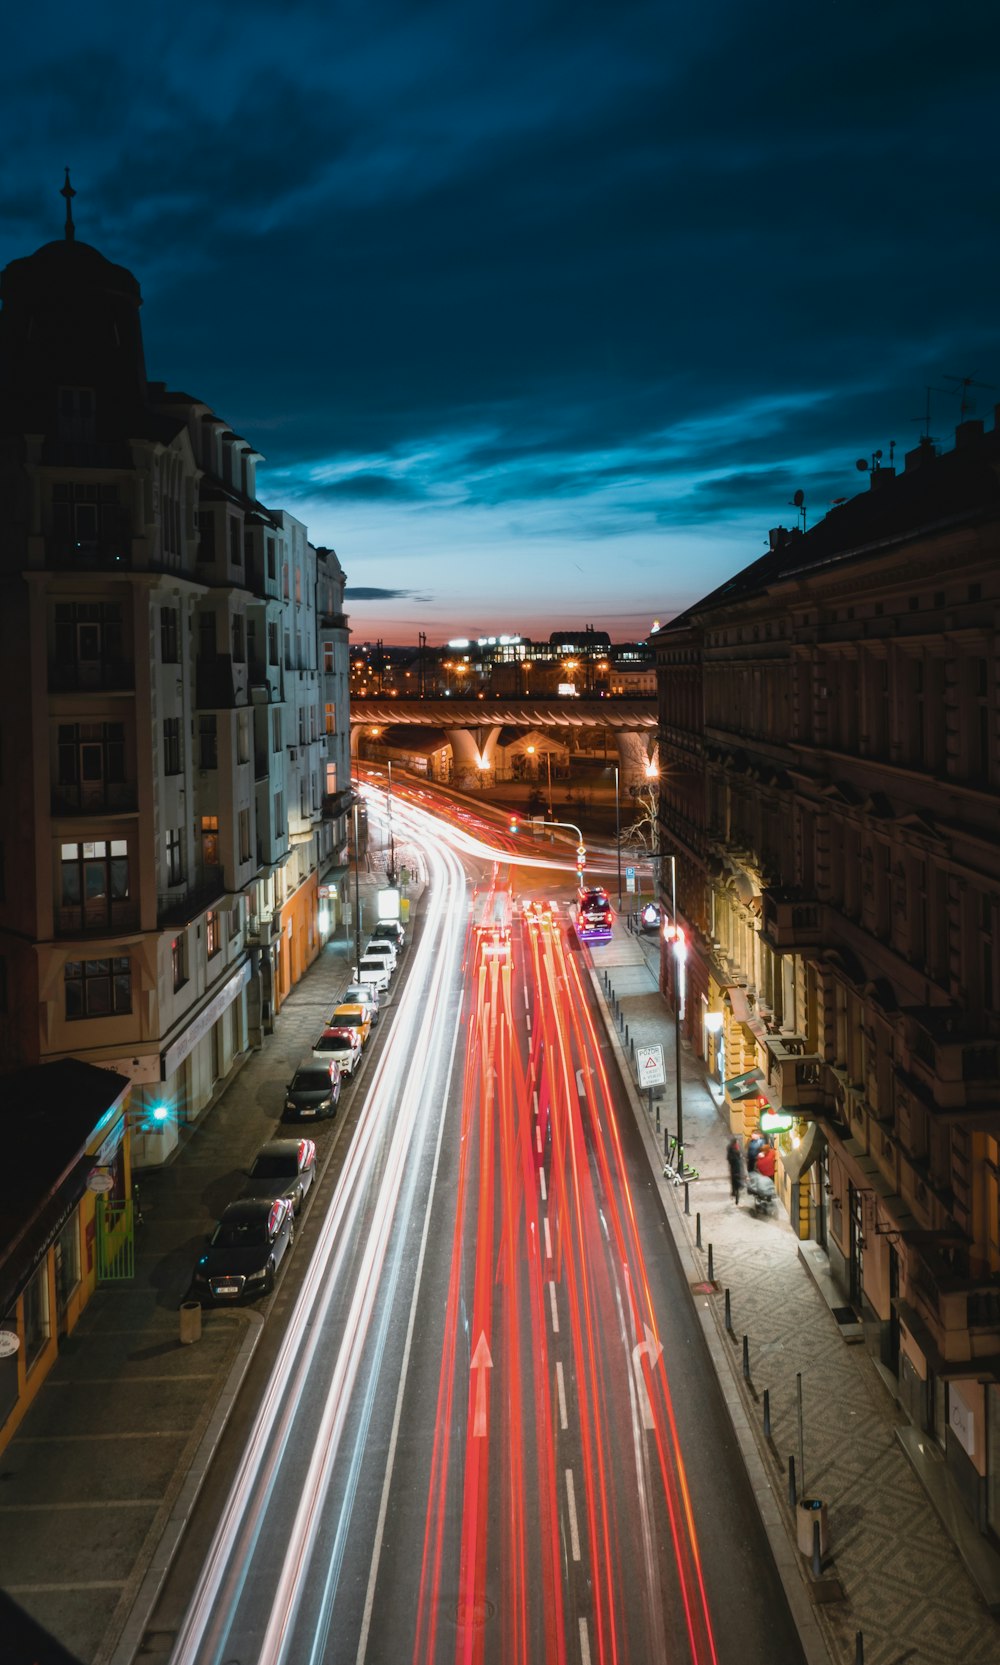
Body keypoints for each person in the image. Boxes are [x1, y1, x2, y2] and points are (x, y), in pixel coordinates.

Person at [726, 1136, 745, 1205]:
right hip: (736, 1169)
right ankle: (736, 1196)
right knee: (736, 1181)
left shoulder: (730, 1148)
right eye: (737, 1142)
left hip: (733, 1168)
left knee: (734, 1181)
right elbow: (736, 1159)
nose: (738, 1143)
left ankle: (735, 1192)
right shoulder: (734, 1151)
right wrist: (739, 1155)